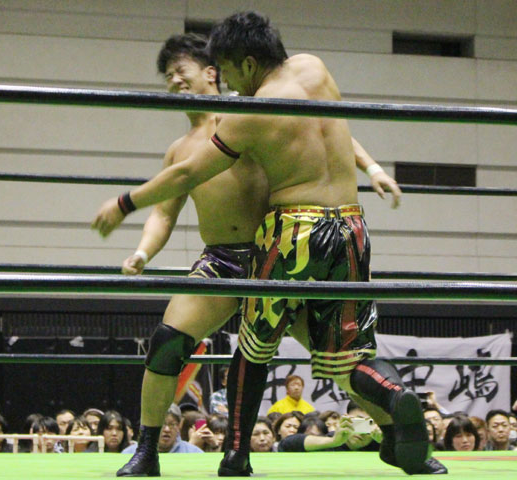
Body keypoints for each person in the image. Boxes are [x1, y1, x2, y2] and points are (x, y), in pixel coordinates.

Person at [91, 11, 440, 476]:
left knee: (314, 356)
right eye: (167, 75)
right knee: (168, 343)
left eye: (182, 70)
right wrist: (142, 252)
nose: (174, 80)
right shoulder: (192, 140)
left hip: (281, 249)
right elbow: (167, 211)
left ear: (216, 71)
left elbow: (323, 128)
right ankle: (147, 449)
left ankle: (388, 435)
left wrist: (123, 202)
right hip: (230, 257)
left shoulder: (248, 113)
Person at [121, 404, 203, 455]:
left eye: (172, 424)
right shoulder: (131, 453)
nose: (167, 429)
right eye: (162, 424)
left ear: (179, 426)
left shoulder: (193, 453)